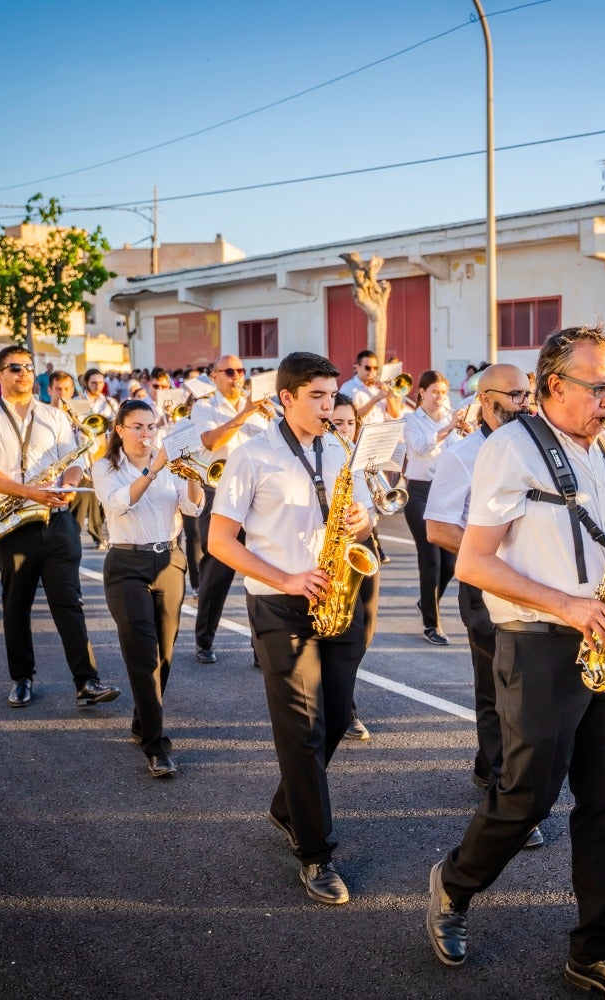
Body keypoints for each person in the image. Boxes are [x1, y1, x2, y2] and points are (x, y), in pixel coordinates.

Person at [426, 326, 605, 1000]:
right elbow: (475, 563)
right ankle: (454, 883)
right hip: (541, 639)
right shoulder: (510, 449)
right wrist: (567, 606)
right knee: (526, 796)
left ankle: (596, 952)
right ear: (553, 386)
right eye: (599, 388)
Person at [206, 351, 376, 907]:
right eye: (318, 398)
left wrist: (361, 520)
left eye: (333, 396)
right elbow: (220, 542)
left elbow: (369, 513)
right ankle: (316, 853)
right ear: (286, 398)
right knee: (302, 730)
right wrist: (286, 578)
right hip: (280, 604)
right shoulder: (252, 455)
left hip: (337, 595)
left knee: (333, 720)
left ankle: (288, 807)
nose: (330, 407)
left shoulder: (342, 447)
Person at [0, 345, 120, 710]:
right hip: (10, 523)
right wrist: (31, 492)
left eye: (28, 367)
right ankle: (22, 678)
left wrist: (66, 484)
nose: (23, 373)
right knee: (15, 605)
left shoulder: (54, 416)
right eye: (15, 367)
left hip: (56, 521)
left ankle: (87, 682)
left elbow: (74, 460)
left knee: (69, 603)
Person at [424, 364, 533, 795]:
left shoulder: (531, 447)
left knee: (523, 687)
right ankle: (499, 782)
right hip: (484, 584)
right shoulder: (462, 455)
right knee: (496, 688)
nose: (526, 404)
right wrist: (486, 556)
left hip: (529, 583)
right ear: (486, 402)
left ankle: (492, 762)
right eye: (515, 396)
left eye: (528, 394)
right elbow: (437, 528)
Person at [92, 399, 203, 778]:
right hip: (126, 565)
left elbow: (192, 509)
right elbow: (119, 504)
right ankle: (156, 747)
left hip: (169, 561)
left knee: (165, 655)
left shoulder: (168, 462)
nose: (146, 434)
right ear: (119, 429)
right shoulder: (105, 467)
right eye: (137, 427)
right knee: (142, 654)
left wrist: (191, 475)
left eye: (151, 427)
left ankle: (143, 720)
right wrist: (154, 470)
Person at [190, 354, 273, 664]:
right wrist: (244, 414)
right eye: (229, 371)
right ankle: (204, 640)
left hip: (258, 496)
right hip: (221, 492)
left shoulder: (260, 409)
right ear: (214, 376)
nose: (237, 376)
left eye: (241, 370)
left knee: (262, 572)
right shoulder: (204, 407)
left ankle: (260, 648)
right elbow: (212, 442)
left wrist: (274, 417)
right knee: (216, 573)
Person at [402, 370, 471, 645]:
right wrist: (448, 428)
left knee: (451, 563)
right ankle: (431, 624)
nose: (439, 398)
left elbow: (460, 453)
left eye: (443, 392)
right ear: (421, 392)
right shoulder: (411, 420)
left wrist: (466, 431)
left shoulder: (449, 418)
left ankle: (426, 602)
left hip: (445, 493)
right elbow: (420, 448)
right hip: (418, 493)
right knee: (430, 559)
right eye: (434, 392)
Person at [329, 394, 378, 741]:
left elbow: (376, 511)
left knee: (365, 630)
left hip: (362, 548)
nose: (345, 429)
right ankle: (345, 707)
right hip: (332, 552)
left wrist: (367, 520)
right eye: (338, 423)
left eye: (350, 423)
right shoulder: (322, 457)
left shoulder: (359, 458)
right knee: (344, 634)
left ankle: (340, 696)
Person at [47, 370, 105, 550]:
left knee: (73, 523)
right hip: (51, 474)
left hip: (79, 472)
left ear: (72, 390)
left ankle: (69, 552)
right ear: (49, 390)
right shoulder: (44, 414)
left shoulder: (81, 415)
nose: (62, 393)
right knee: (50, 523)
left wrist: (82, 432)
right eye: (58, 389)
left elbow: (94, 445)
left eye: (66, 389)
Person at [340, 349, 402, 426]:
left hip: (380, 433)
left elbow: (395, 414)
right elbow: (354, 416)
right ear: (358, 367)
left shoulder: (379, 387)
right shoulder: (348, 387)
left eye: (375, 368)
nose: (372, 372)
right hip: (361, 435)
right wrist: (376, 399)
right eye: (368, 368)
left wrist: (388, 396)